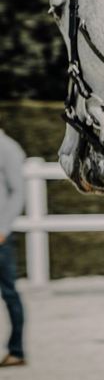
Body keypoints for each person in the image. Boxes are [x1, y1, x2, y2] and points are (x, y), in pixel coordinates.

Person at [0, 117, 26, 367]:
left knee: (9, 294)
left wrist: (3, 229)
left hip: (0, 237)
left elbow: (18, 190)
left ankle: (16, 350)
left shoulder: (6, 147)